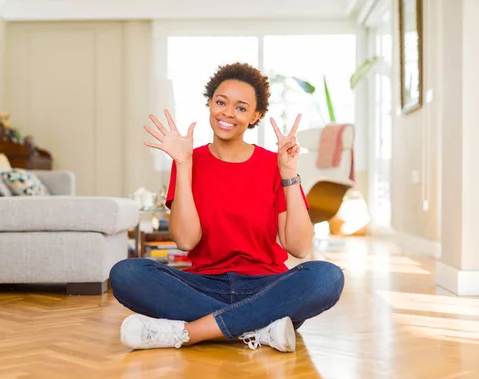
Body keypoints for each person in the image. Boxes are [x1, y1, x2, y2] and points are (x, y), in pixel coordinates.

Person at [110, 62, 344, 352]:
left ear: (256, 115)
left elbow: (298, 247)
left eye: (241, 108)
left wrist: (288, 175)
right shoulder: (187, 160)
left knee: (327, 277)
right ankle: (261, 327)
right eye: (221, 102)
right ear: (209, 103)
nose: (228, 112)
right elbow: (185, 241)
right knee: (127, 273)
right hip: (203, 284)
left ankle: (191, 331)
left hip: (265, 286)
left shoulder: (274, 164)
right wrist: (183, 165)